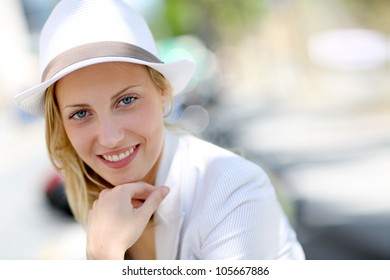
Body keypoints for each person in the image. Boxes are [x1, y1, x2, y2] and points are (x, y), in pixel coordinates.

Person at [15, 0, 305, 260]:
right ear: (62, 126)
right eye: (80, 113)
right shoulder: (98, 196)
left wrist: (104, 261)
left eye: (126, 100)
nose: (110, 137)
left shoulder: (232, 189)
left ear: (163, 94)